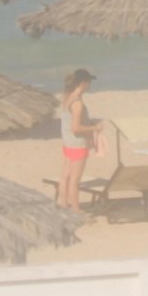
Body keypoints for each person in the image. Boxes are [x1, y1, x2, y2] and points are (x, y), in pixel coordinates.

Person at [57, 68, 103, 211]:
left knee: (66, 176)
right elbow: (76, 128)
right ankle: (76, 209)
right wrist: (94, 128)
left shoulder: (68, 97)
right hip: (77, 144)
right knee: (75, 179)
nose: (90, 85)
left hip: (67, 143)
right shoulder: (77, 103)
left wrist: (88, 123)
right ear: (83, 83)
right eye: (88, 82)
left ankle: (63, 204)